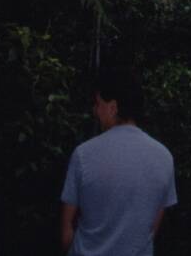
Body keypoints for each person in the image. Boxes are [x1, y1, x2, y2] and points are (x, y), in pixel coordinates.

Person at [60, 63, 177, 255]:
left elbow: (66, 230)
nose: (95, 111)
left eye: (98, 104)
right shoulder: (164, 157)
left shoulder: (83, 154)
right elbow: (152, 229)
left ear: (113, 107)